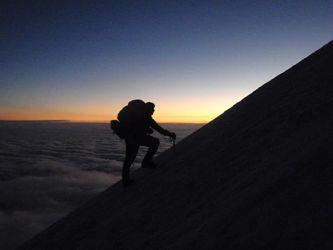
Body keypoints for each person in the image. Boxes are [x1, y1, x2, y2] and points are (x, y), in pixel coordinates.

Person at [120, 100, 176, 187]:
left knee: (129, 159)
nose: (153, 111)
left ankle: (126, 179)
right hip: (136, 138)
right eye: (153, 109)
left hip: (131, 138)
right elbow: (158, 128)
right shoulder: (146, 117)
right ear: (149, 109)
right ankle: (145, 163)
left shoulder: (140, 115)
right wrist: (170, 134)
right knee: (153, 143)